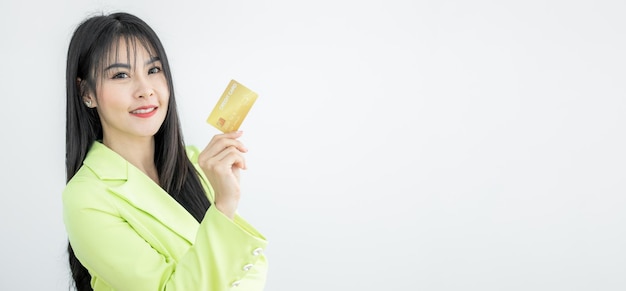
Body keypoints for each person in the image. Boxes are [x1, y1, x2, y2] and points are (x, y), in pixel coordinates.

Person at [63, 12, 268, 291]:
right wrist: (223, 207)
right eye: (121, 75)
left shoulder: (196, 162)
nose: (145, 90)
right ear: (86, 92)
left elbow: (252, 272)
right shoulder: (86, 197)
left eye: (153, 70)